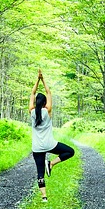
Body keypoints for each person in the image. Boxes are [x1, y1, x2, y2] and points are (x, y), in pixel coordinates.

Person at [29, 69, 74, 201]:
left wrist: (37, 80)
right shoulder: (48, 111)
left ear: (36, 103)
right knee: (70, 152)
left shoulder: (31, 112)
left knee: (40, 173)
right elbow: (49, 92)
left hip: (37, 148)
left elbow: (32, 93)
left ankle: (44, 197)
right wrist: (43, 79)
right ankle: (52, 163)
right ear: (44, 103)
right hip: (50, 144)